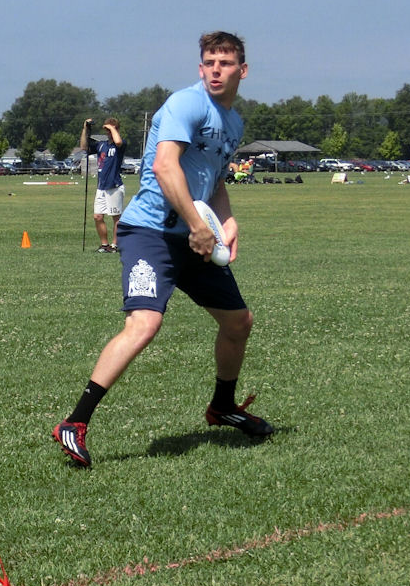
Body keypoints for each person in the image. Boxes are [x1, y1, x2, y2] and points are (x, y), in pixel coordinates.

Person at [52, 32, 274, 470]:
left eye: (225, 63)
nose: (216, 69)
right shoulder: (186, 104)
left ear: (242, 70)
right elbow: (164, 165)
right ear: (200, 68)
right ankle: (74, 423)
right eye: (209, 62)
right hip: (150, 233)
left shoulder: (233, 123)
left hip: (194, 236)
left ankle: (222, 407)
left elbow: (214, 179)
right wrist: (199, 226)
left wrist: (226, 220)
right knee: (145, 324)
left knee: (239, 323)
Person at [81, 117, 125, 253]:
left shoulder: (120, 144)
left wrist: (112, 127)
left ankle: (115, 245)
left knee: (115, 216)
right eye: (107, 130)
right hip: (101, 186)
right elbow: (84, 146)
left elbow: (118, 141)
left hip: (114, 186)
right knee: (98, 216)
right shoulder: (102, 145)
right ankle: (104, 245)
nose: (108, 132)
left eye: (110, 130)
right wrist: (85, 128)